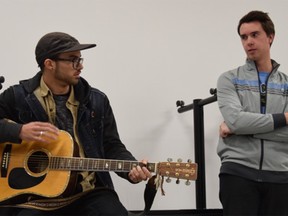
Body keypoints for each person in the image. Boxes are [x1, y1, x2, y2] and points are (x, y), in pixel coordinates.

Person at [0, 32, 152, 216]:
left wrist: (131, 169)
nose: (80, 66)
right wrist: (18, 130)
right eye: (73, 60)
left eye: (80, 60)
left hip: (88, 192)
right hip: (37, 198)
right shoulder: (17, 97)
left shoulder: (96, 100)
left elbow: (112, 145)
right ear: (49, 64)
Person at [217, 10, 288, 216]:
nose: (249, 41)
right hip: (237, 172)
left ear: (270, 37)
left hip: (281, 176)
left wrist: (238, 129)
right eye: (244, 37)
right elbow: (237, 121)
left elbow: (237, 125)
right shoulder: (228, 79)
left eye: (255, 34)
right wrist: (284, 118)